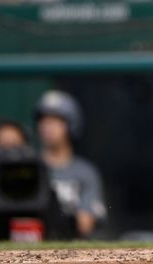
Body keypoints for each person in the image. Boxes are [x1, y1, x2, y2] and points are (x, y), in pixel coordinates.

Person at [35, 90, 106, 239]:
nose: (48, 125)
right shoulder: (29, 168)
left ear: (71, 124)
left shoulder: (85, 171)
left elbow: (85, 224)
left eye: (56, 119)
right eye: (43, 119)